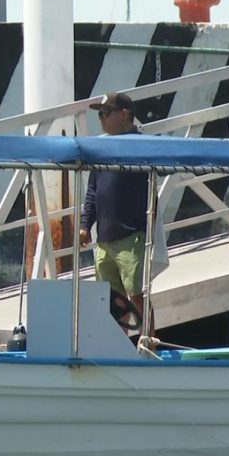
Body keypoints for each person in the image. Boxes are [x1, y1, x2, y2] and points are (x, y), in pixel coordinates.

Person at [79, 91, 151, 334]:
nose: (101, 118)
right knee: (113, 300)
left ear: (124, 114)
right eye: (99, 114)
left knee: (136, 294)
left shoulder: (144, 146)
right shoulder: (101, 147)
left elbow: (161, 173)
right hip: (104, 239)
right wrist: (84, 225)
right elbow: (93, 191)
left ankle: (147, 341)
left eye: (105, 113)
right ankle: (121, 347)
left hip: (131, 235)